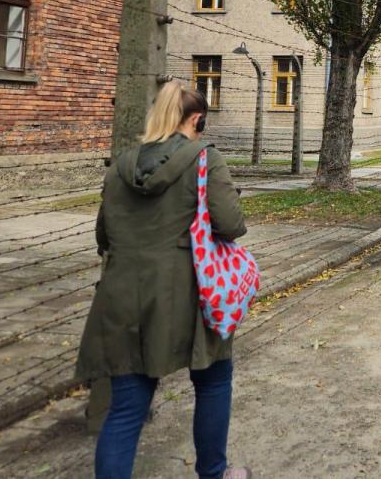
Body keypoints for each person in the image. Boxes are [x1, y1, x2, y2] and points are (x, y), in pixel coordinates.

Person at [76, 81, 251, 479]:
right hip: (188, 293)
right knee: (213, 380)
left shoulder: (121, 166)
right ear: (196, 118)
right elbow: (230, 224)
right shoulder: (205, 158)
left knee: (125, 409)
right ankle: (214, 473)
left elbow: (104, 236)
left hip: (123, 295)